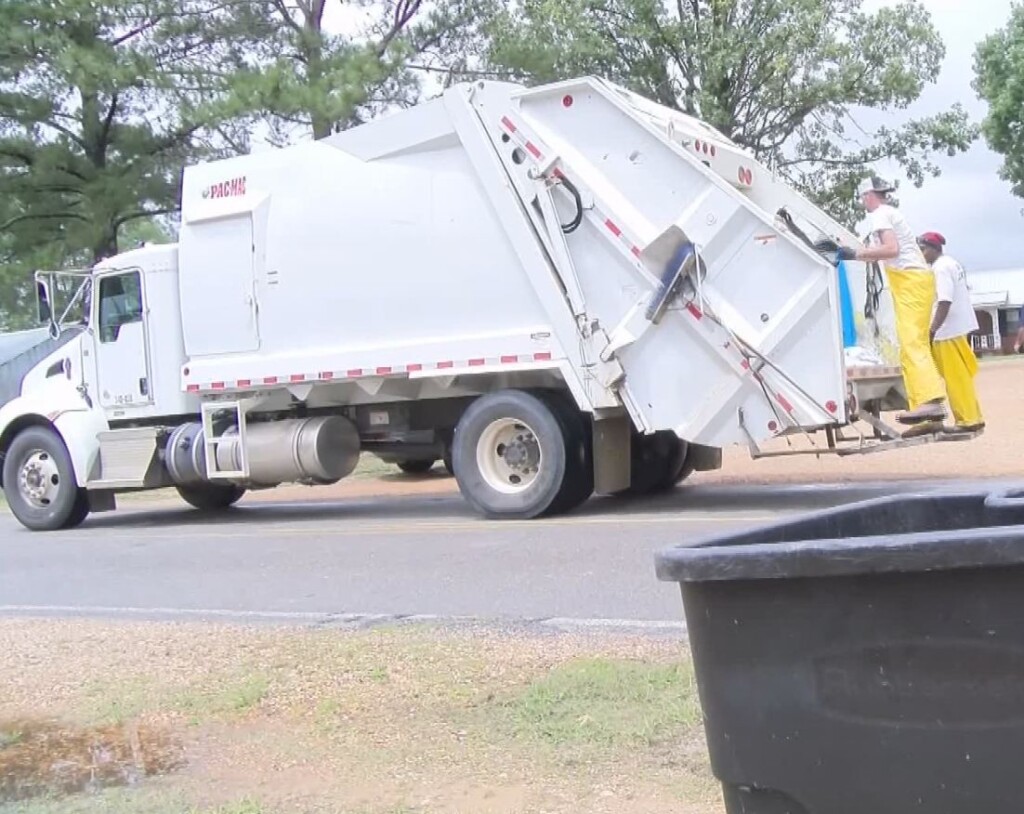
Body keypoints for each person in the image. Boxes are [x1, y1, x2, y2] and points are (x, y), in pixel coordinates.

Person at [837, 176, 947, 426]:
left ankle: (930, 401)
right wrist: (854, 253)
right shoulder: (888, 214)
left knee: (912, 343)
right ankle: (926, 410)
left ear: (868, 196)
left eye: (864, 197)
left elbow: (891, 249)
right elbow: (881, 254)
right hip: (910, 281)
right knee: (909, 343)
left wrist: (855, 253)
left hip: (910, 281)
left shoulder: (881, 215)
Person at [918, 232, 985, 433]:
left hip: (947, 332)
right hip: (957, 329)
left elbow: (945, 300)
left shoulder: (940, 268)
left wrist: (932, 329)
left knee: (955, 378)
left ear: (933, 248)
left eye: (923, 250)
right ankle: (974, 416)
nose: (922, 254)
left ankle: (967, 420)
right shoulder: (952, 263)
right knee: (961, 376)